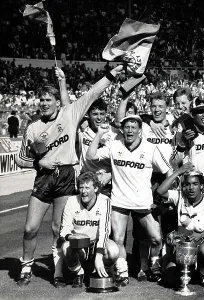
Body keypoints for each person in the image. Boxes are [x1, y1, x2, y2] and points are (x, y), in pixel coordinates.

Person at [15, 65, 124, 287]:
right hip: (44, 176)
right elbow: (19, 159)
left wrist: (112, 74)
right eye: (41, 100)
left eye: (48, 100)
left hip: (66, 175)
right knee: (30, 228)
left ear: (57, 101)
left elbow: (94, 92)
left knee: (57, 229)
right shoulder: (33, 127)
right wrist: (39, 162)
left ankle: (57, 272)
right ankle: (26, 266)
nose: (44, 104)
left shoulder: (70, 113)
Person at [86, 115, 172, 287]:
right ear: (122, 129)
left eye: (134, 127)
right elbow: (90, 156)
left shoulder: (150, 148)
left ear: (140, 130)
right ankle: (122, 271)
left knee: (156, 239)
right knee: (118, 239)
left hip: (143, 202)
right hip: (119, 201)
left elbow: (168, 170)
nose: (130, 130)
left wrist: (164, 195)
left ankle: (153, 265)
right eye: (127, 127)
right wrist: (99, 134)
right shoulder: (114, 145)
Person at [157, 163, 204, 287]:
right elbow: (160, 191)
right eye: (187, 184)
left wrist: (200, 234)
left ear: (202, 186)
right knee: (169, 280)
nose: (191, 188)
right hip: (184, 245)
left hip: (203, 240)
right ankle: (191, 271)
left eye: (195, 184)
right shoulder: (180, 196)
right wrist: (177, 173)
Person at [60, 172, 119, 288]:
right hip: (80, 244)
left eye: (87, 187)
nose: (84, 191)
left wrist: (99, 255)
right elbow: (64, 228)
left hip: (97, 241)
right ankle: (78, 273)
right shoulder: (71, 201)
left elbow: (105, 230)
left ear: (96, 188)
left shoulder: (104, 201)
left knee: (113, 251)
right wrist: (70, 237)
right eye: (81, 187)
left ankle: (104, 269)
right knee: (65, 247)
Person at [171, 96, 204, 198]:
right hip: (192, 182)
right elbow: (173, 162)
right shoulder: (181, 133)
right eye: (200, 112)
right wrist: (182, 143)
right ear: (192, 114)